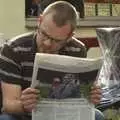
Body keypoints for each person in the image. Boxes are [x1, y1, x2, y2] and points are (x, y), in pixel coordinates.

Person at [0, 1, 104, 120]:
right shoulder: (13, 49)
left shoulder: (77, 49)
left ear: (69, 36)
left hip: (62, 114)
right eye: (44, 34)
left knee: (97, 116)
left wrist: (90, 96)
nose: (47, 43)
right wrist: (24, 105)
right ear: (39, 21)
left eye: (57, 40)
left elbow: (78, 95)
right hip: (24, 115)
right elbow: (9, 105)